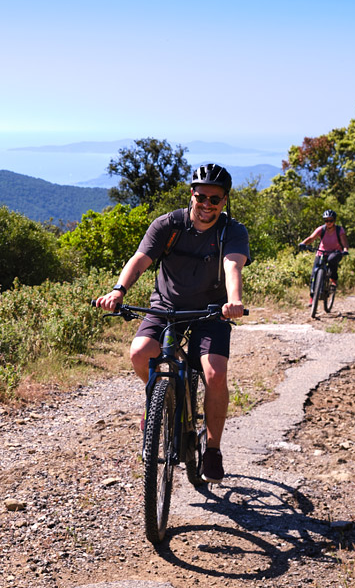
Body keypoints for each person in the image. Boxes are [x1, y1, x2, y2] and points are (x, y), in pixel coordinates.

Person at [94, 163, 249, 484]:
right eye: (202, 197)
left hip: (211, 311)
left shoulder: (232, 231)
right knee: (140, 353)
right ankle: (159, 398)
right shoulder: (168, 225)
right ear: (192, 194)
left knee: (215, 374)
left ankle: (213, 450)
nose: (207, 205)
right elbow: (140, 259)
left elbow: (233, 265)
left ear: (225, 201)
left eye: (215, 199)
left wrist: (233, 301)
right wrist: (118, 290)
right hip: (167, 307)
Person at [299, 209, 349, 301]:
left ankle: (333, 281)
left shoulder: (339, 230)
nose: (328, 222)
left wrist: (345, 250)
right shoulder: (321, 229)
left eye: (331, 220)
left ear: (334, 220)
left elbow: (344, 242)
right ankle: (312, 299)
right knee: (314, 274)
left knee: (331, 260)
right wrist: (303, 243)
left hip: (335, 252)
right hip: (321, 252)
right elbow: (311, 238)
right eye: (326, 220)